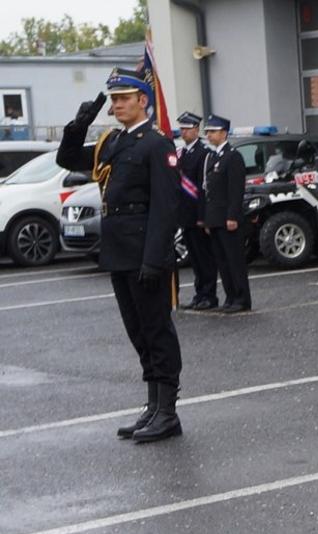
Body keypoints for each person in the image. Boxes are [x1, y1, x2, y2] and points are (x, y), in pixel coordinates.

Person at [56, 67, 183, 443]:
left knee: (157, 330)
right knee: (138, 331)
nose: (117, 105)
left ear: (142, 99)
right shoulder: (112, 140)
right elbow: (67, 160)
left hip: (145, 250)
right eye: (113, 99)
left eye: (124, 98)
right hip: (117, 250)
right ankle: (152, 406)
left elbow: (165, 205)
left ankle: (168, 412)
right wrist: (78, 125)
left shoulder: (157, 143)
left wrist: (154, 258)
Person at [201, 115, 251, 313]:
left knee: (234, 260)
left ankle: (241, 298)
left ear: (223, 133)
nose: (209, 135)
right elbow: (209, 192)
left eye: (212, 131)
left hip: (228, 218)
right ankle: (230, 297)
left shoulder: (233, 157)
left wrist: (232, 216)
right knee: (222, 261)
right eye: (208, 132)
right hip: (215, 218)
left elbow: (235, 190)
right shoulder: (213, 157)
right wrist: (207, 220)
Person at [174, 111, 220, 310]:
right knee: (194, 258)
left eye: (186, 129)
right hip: (186, 215)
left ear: (196, 129)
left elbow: (204, 187)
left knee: (205, 257)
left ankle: (209, 295)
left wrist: (203, 216)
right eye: (181, 129)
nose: (183, 132)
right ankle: (199, 293)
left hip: (197, 214)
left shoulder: (204, 153)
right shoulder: (182, 153)